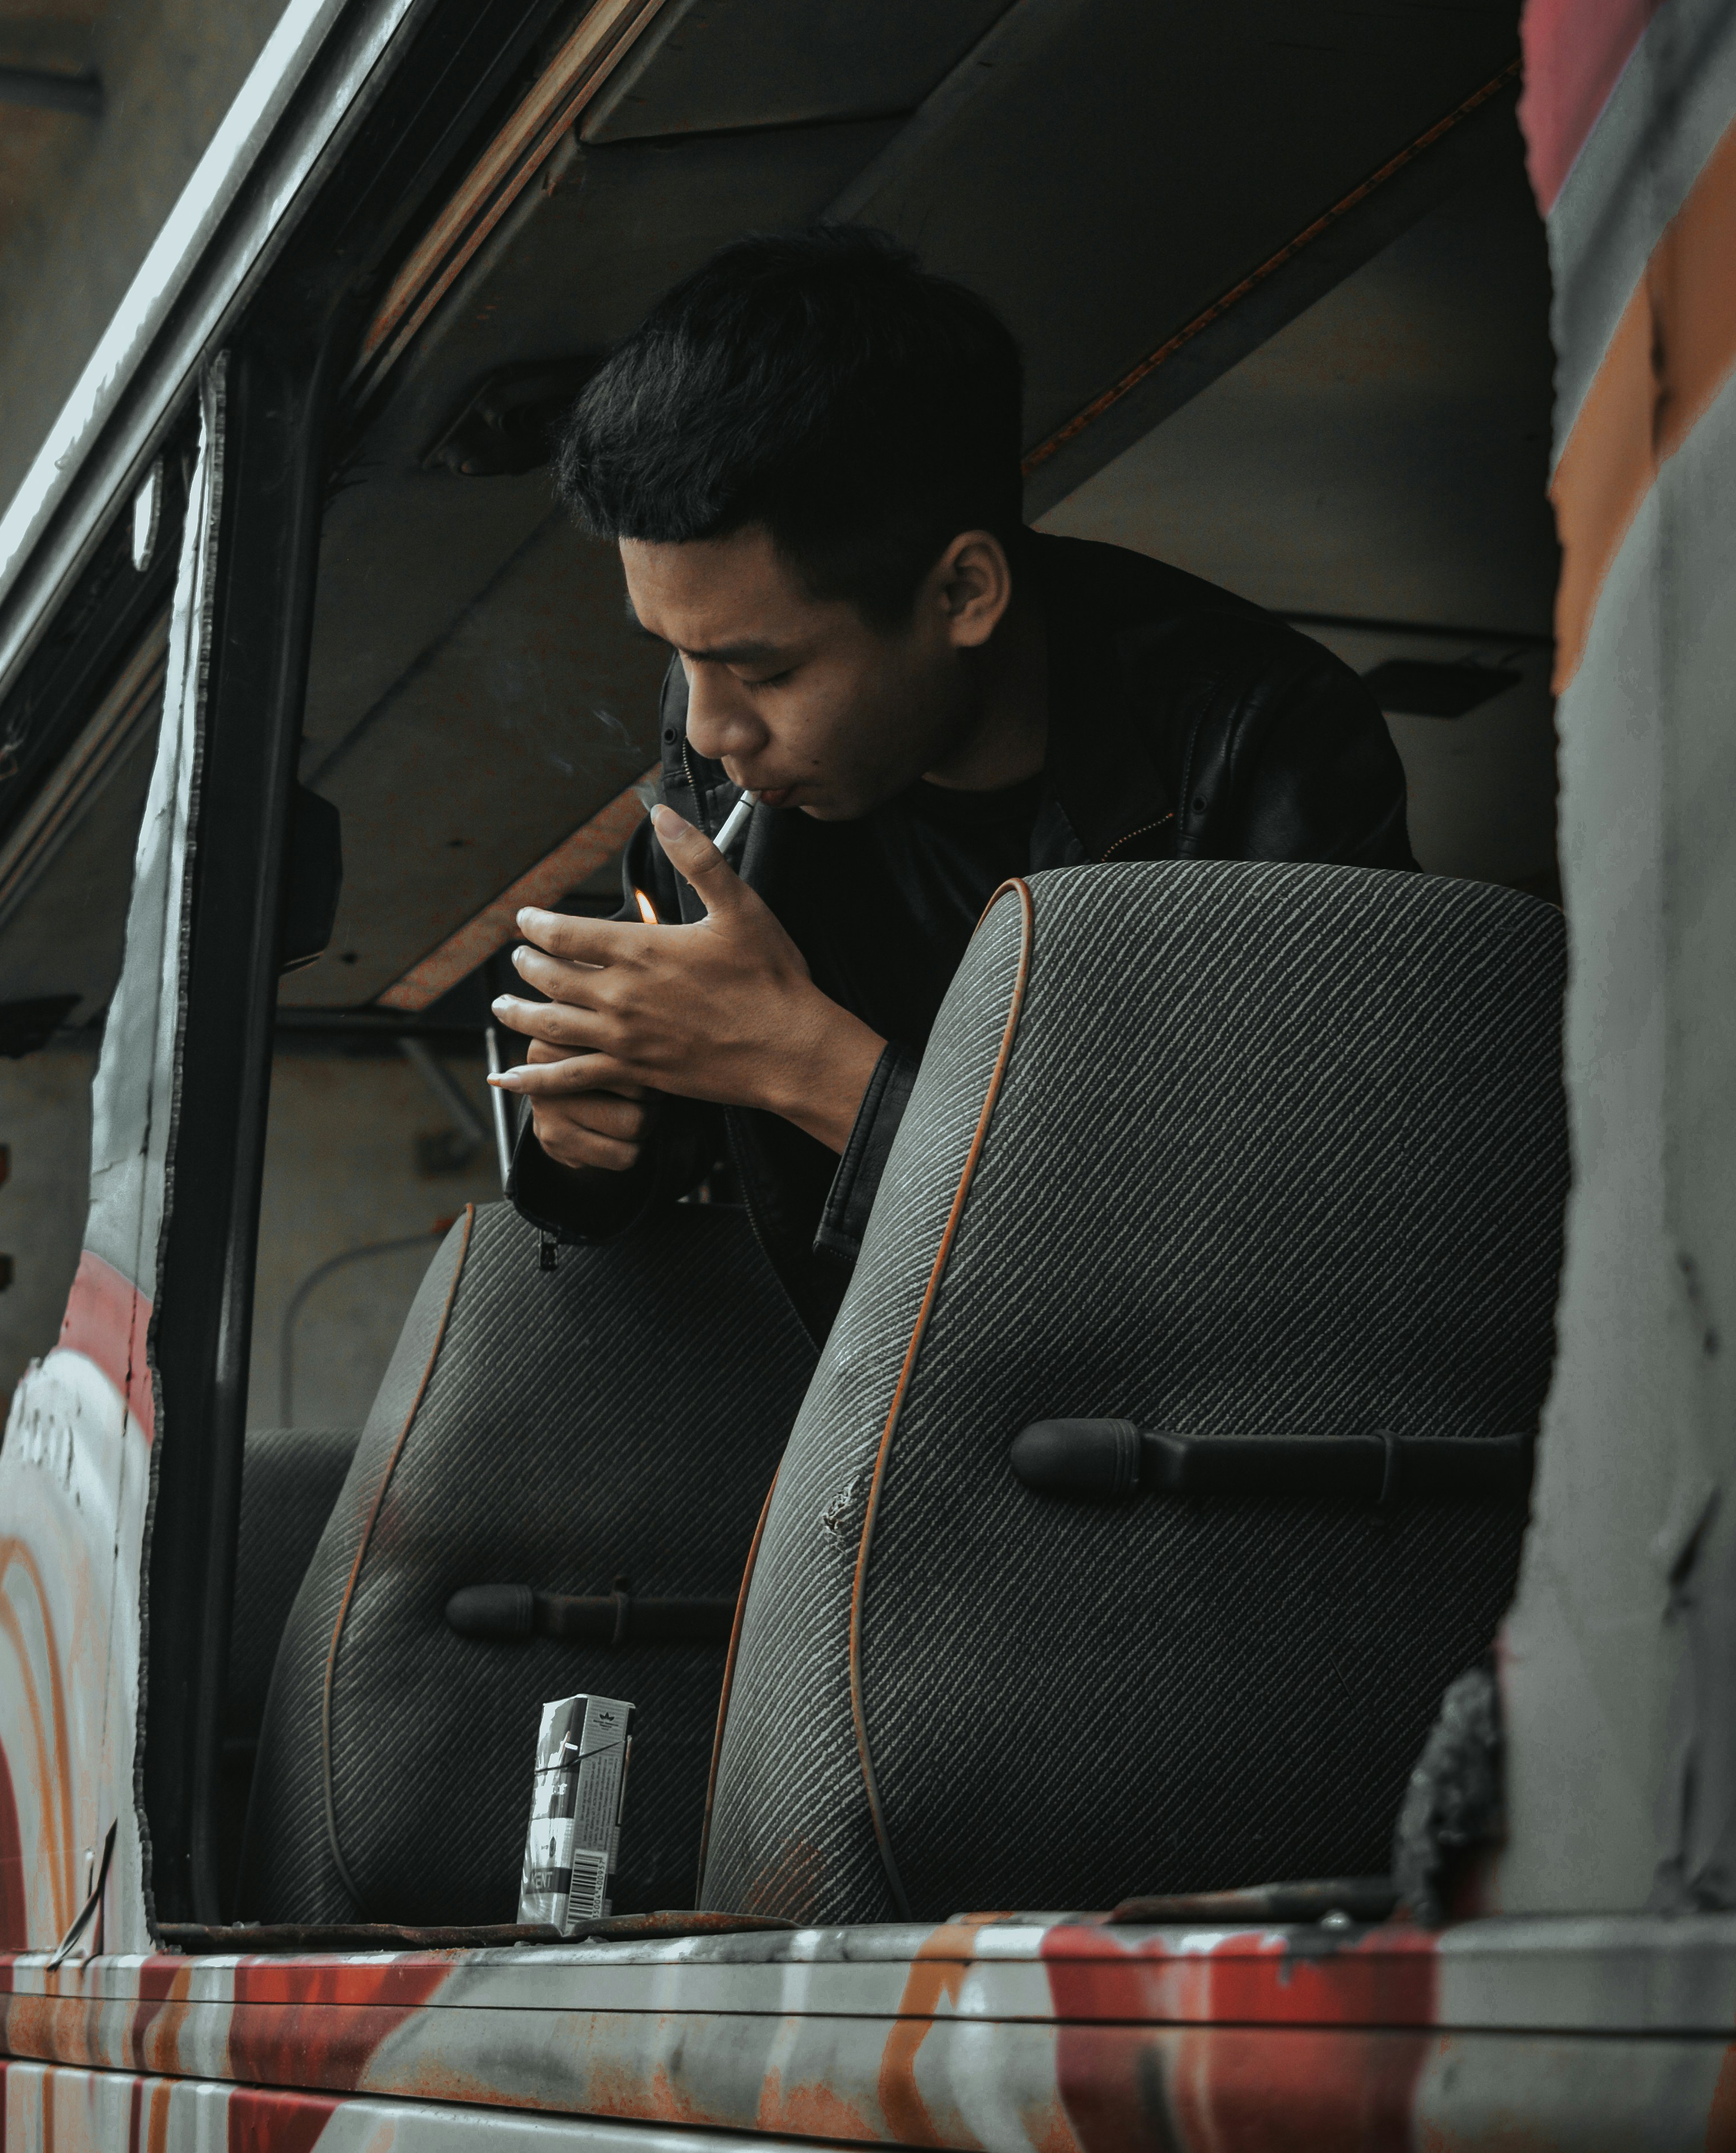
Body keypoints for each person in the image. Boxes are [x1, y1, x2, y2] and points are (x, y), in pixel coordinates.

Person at [487, 227, 1413, 1336]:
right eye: (671, 656)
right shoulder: (722, 779)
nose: (709, 726)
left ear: (963, 591)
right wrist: (590, 1142)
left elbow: (1284, 1253)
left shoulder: (1251, 743)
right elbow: (672, 1164)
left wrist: (806, 1065)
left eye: (763, 669)